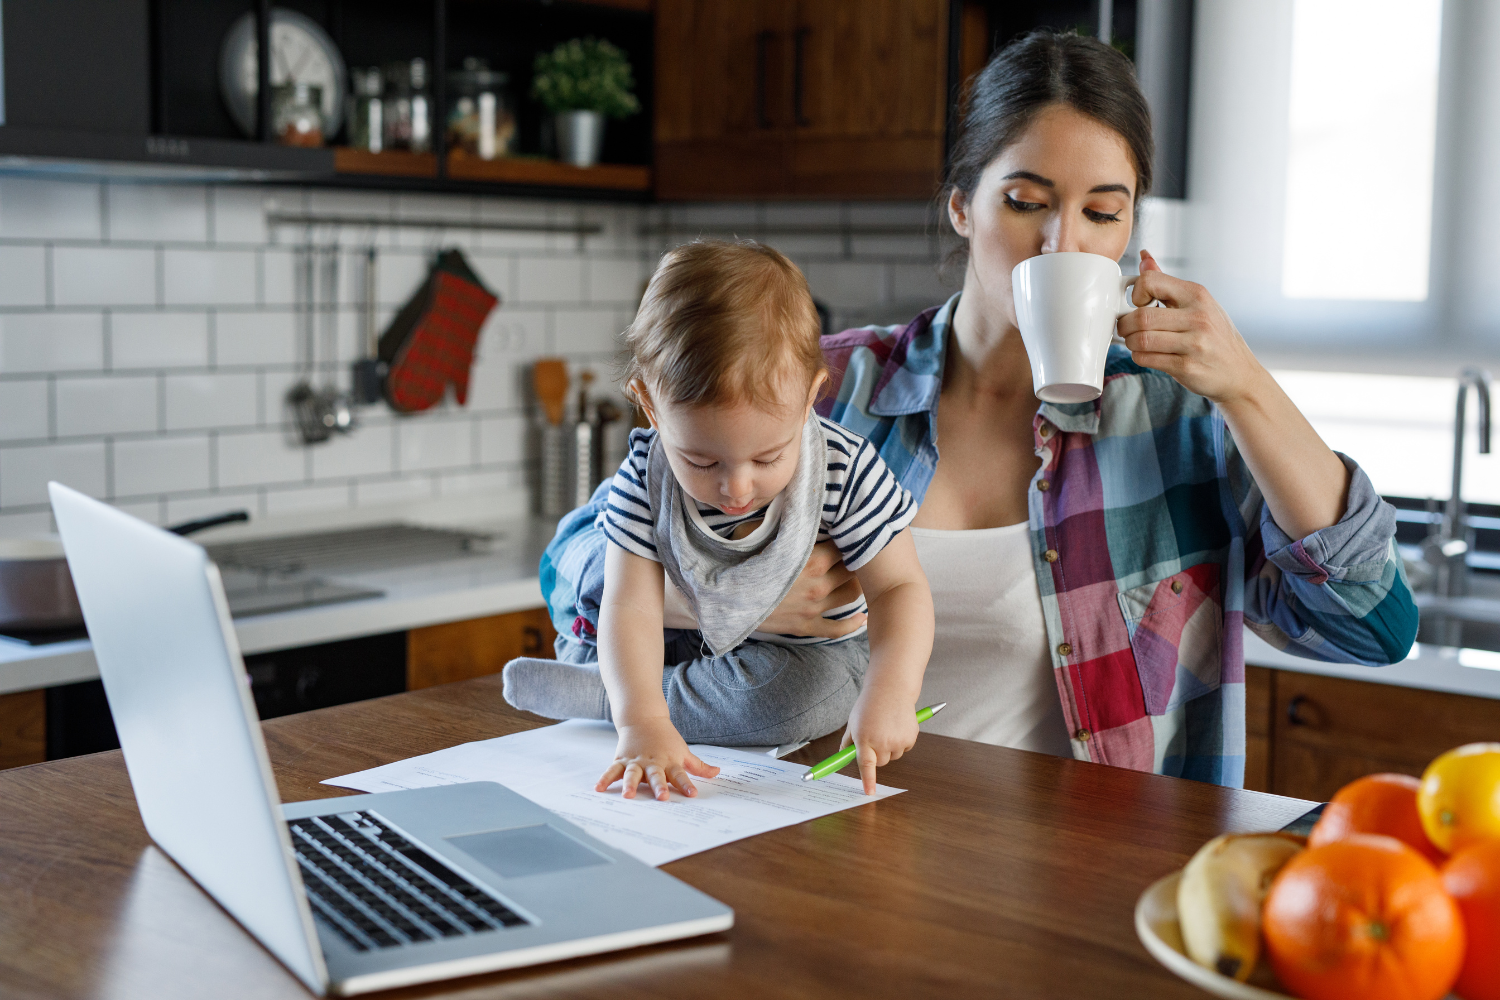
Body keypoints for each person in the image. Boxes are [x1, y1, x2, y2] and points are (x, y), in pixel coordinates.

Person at [539, 29, 1417, 788]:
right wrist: (732, 599)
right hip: (816, 843)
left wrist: (1248, 387)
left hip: (1073, 888)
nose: (1060, 242)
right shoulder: (828, 391)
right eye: (1025, 202)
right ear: (962, 205)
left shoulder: (1180, 422)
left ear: (1129, 232)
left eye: (1101, 214)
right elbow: (570, 567)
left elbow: (1372, 628)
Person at [505, 240, 934, 800]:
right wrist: (643, 725)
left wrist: (893, 689)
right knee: (605, 641)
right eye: (701, 461)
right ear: (649, 404)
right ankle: (625, 698)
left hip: (796, 655)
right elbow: (630, 601)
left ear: (810, 398)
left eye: (768, 458)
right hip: (678, 642)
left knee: (807, 697)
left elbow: (901, 587)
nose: (736, 487)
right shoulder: (648, 467)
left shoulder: (843, 466)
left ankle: (598, 698)